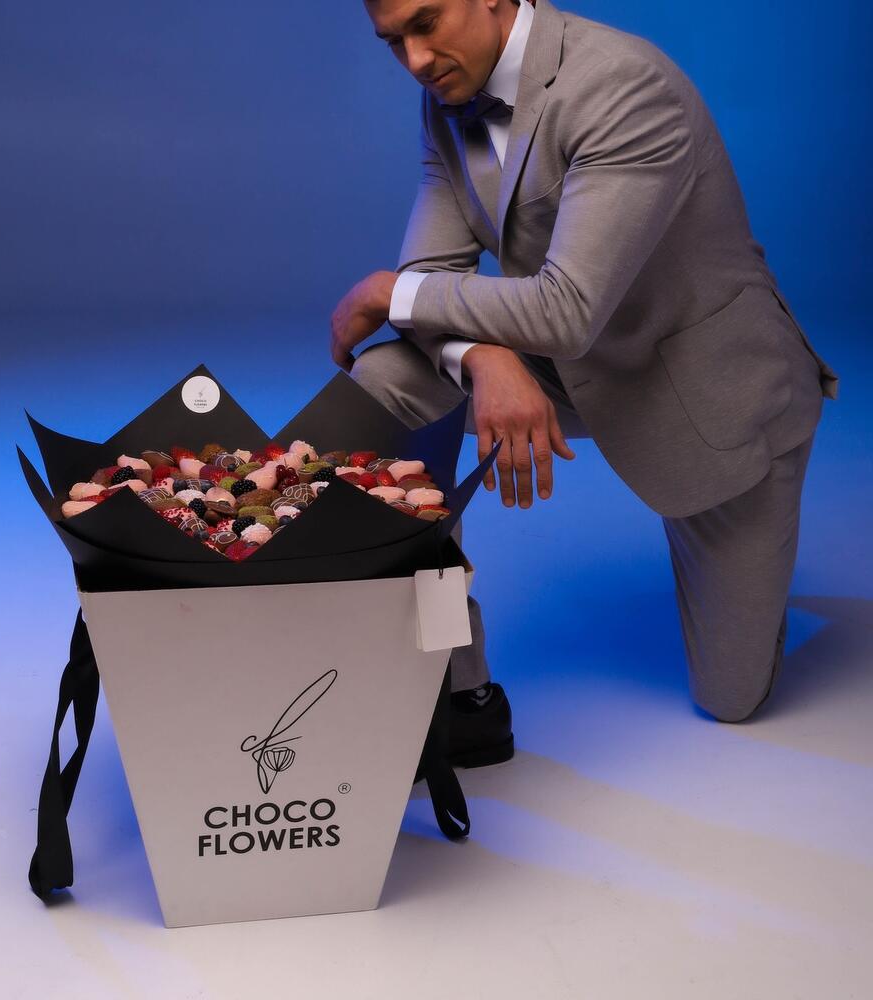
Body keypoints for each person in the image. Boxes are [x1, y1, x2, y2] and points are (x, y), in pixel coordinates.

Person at [330, 0, 840, 769]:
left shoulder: (623, 83)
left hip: (701, 393)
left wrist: (385, 290)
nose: (414, 60)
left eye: (426, 23)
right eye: (393, 41)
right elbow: (433, 274)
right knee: (384, 383)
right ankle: (456, 692)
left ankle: (752, 528)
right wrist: (486, 360)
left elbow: (562, 308)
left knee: (732, 698)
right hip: (558, 362)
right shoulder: (447, 95)